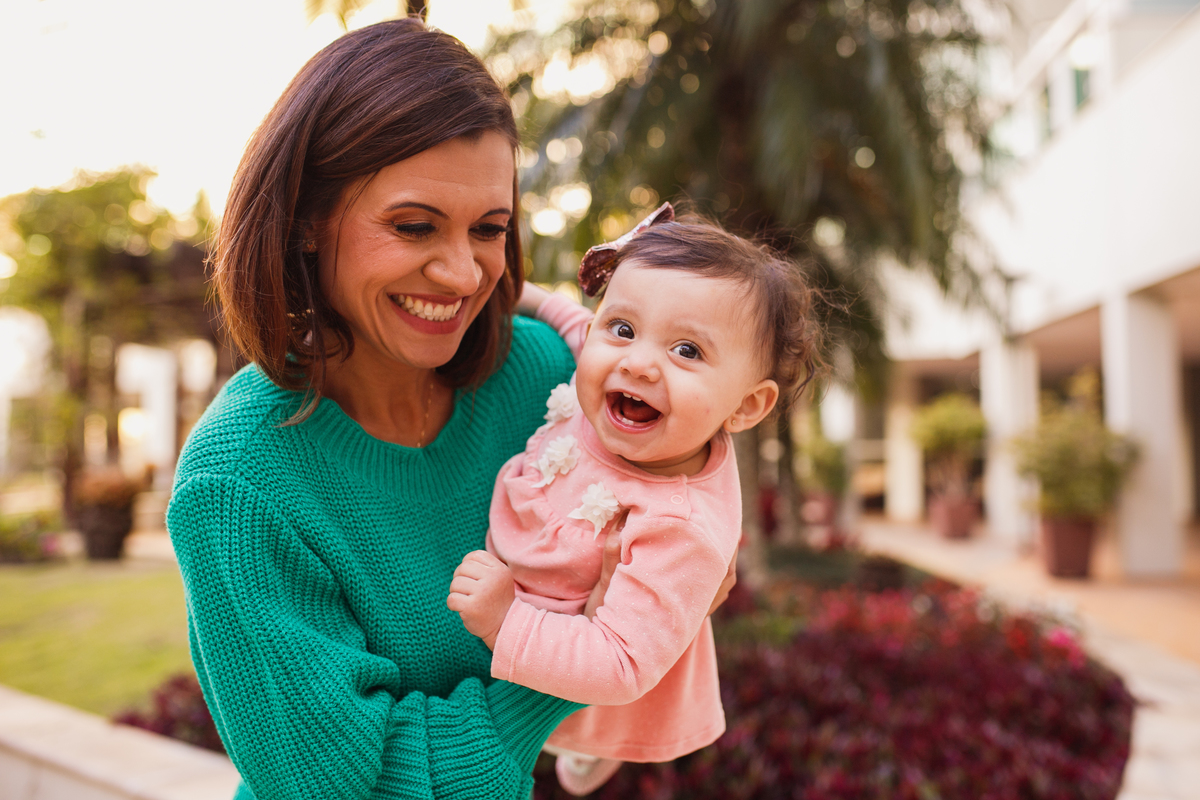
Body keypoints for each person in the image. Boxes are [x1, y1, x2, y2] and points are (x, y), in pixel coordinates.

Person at [168, 19, 732, 800]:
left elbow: (688, 492)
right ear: (305, 219)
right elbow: (345, 788)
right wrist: (586, 652)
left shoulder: (548, 375)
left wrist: (690, 573)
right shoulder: (237, 484)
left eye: (490, 229)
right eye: (413, 226)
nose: (462, 273)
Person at [447, 205, 819, 795]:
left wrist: (503, 620)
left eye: (688, 351)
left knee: (590, 730)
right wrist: (523, 297)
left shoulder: (680, 524)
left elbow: (619, 664)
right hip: (527, 576)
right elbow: (575, 322)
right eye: (623, 328)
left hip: (585, 666)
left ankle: (597, 753)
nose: (639, 361)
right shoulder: (604, 376)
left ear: (746, 406)